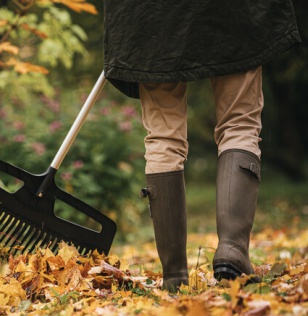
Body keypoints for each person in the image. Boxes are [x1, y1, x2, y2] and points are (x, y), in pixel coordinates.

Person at [103, 1, 301, 291]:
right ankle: (232, 250)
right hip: (230, 10)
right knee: (239, 122)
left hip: (149, 13)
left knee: (162, 136)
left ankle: (174, 276)